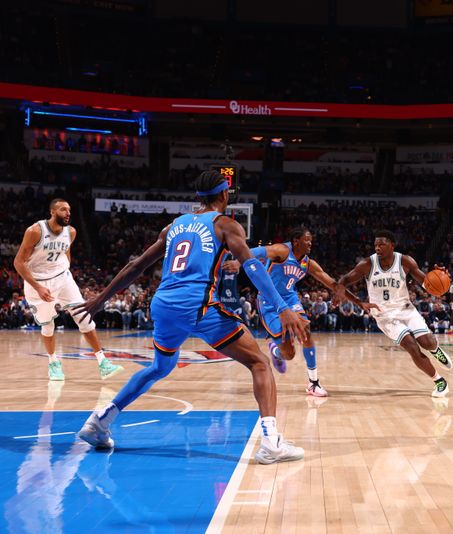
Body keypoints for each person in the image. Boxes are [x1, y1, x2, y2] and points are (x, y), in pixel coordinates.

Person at [73, 170, 308, 465]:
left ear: (199, 197)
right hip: (196, 306)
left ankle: (100, 421)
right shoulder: (226, 224)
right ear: (224, 195)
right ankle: (271, 443)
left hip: (163, 305)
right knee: (259, 363)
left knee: (160, 366)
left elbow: (136, 265)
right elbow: (252, 266)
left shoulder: (174, 226)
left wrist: (101, 298)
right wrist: (282, 307)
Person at [222, 227, 375, 397]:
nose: (310, 243)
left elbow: (333, 284)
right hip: (269, 302)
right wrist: (239, 262)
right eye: (307, 240)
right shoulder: (282, 251)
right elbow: (258, 251)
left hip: (290, 300)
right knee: (289, 354)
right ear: (296, 241)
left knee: (306, 333)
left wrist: (360, 302)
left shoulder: (308, 263)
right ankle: (275, 350)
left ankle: (313, 383)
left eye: (311, 240)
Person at [13, 198, 123, 381]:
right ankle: (53, 363)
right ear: (52, 212)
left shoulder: (71, 232)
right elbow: (18, 262)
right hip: (38, 283)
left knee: (84, 315)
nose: (68, 213)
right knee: (48, 326)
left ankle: (103, 362)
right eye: (63, 210)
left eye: (69, 210)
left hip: (62, 278)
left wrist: (64, 275)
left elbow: (66, 255)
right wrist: (38, 287)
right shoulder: (35, 231)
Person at [336, 230, 453, 397]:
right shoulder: (367, 264)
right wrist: (347, 293)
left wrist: (440, 279)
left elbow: (427, 284)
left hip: (406, 309)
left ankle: (435, 350)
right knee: (412, 347)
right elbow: (345, 280)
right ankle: (439, 381)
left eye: (382, 244)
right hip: (384, 315)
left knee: (426, 342)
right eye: (376, 245)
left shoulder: (405, 261)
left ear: (392, 245)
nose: (377, 248)